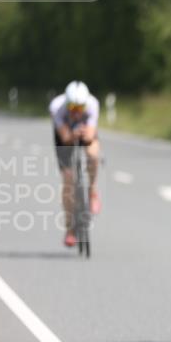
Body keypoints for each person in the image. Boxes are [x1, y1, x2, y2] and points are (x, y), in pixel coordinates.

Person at [50, 80, 101, 247]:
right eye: (73, 108)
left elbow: (90, 136)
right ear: (67, 105)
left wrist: (84, 134)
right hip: (64, 133)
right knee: (68, 179)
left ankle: (92, 190)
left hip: (85, 130)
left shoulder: (93, 104)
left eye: (80, 109)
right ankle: (70, 229)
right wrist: (72, 134)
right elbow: (64, 138)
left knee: (93, 155)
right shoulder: (57, 107)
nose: (77, 112)